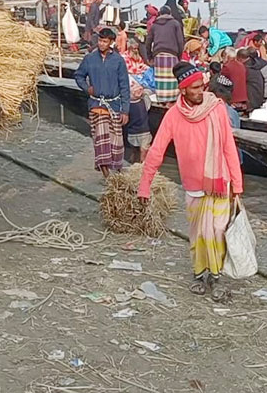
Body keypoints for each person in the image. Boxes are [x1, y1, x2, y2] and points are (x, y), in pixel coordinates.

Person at [138, 62, 243, 302]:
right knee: (197, 234)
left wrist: (237, 185)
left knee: (217, 232)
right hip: (193, 185)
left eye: (202, 86)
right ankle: (199, 273)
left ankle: (215, 276)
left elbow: (228, 146)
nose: (200, 91)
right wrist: (145, 184)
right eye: (194, 88)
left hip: (219, 183)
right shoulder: (173, 116)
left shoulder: (216, 109)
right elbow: (157, 151)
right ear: (183, 90)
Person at [73, 28, 130, 178]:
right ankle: (106, 175)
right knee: (101, 142)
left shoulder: (118, 61)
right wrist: (87, 88)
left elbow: (125, 86)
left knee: (116, 142)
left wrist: (125, 110)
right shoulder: (89, 59)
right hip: (96, 105)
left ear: (111, 43)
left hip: (114, 106)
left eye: (105, 41)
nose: (102, 44)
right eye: (100, 40)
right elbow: (78, 76)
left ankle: (117, 172)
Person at [148, 5, 184, 104]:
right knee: (172, 79)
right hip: (172, 54)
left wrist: (149, 56)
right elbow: (180, 42)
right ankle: (172, 100)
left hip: (158, 55)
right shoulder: (175, 24)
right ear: (170, 13)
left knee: (161, 80)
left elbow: (148, 41)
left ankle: (161, 101)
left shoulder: (154, 25)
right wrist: (179, 56)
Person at [126, 77, 151, 163]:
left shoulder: (127, 105)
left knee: (138, 148)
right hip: (139, 131)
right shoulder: (143, 102)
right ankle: (140, 161)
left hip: (138, 131)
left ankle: (138, 158)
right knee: (141, 149)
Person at [221, 47, 248, 112]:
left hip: (233, 99)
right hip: (243, 97)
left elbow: (221, 81)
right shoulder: (242, 65)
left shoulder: (227, 67)